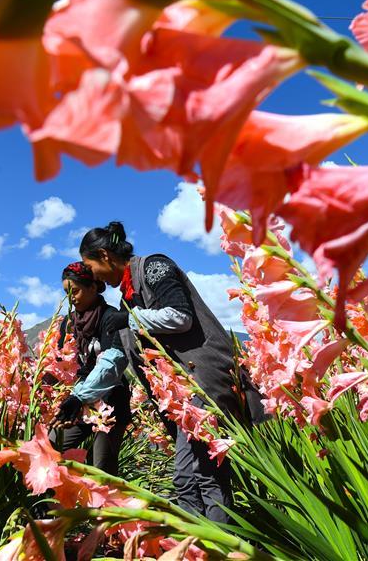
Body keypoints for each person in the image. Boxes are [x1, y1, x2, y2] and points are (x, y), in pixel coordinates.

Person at [79, 222, 263, 523]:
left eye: (90, 265)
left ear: (104, 255)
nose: (91, 275)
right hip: (182, 391)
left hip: (201, 378)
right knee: (188, 477)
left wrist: (130, 318)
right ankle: (200, 544)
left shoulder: (154, 267)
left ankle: (222, 545)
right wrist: (79, 396)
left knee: (203, 472)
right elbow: (117, 356)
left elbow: (181, 316)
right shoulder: (126, 297)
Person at [49, 261, 131, 476]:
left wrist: (78, 396)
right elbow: (60, 364)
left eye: (75, 291)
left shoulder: (112, 318)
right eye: (67, 293)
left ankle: (105, 508)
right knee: (53, 447)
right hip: (79, 401)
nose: (71, 298)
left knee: (101, 466)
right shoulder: (68, 322)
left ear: (93, 287)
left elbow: (112, 365)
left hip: (111, 401)